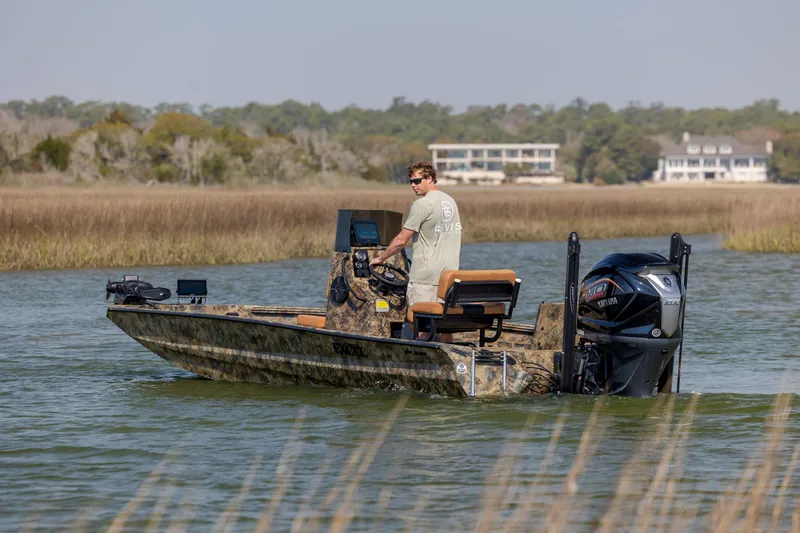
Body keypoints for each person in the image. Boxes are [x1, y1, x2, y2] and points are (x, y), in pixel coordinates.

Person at [370, 161, 462, 335]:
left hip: (425, 278)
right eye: (411, 181)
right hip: (449, 276)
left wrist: (380, 259)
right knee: (444, 328)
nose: (413, 185)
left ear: (430, 179)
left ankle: (422, 361)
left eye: (417, 181)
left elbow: (401, 240)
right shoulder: (450, 201)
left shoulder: (421, 205)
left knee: (420, 326)